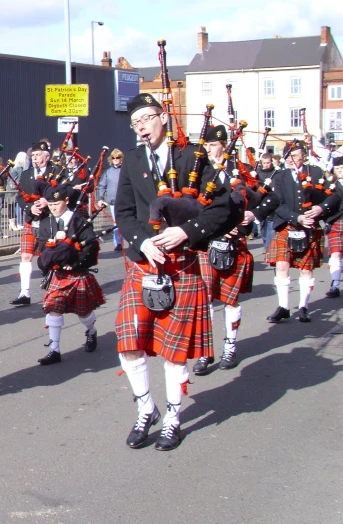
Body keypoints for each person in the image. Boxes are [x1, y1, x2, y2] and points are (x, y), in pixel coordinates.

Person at [114, 94, 232, 451]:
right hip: (144, 263)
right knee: (128, 344)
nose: (141, 127)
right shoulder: (132, 160)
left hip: (182, 264)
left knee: (174, 351)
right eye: (135, 123)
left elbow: (222, 208)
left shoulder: (191, 155)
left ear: (163, 117)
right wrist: (142, 243)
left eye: (146, 119)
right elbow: (123, 212)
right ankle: (145, 407)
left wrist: (187, 231)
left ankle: (173, 418)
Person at [194, 126, 255, 374]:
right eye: (205, 145)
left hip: (233, 243)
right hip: (207, 242)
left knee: (230, 299)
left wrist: (248, 216)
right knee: (205, 299)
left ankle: (230, 346)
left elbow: (257, 197)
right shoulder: (197, 172)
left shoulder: (237, 170)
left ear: (224, 144)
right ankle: (205, 351)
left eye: (212, 144)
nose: (207, 149)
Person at [36, 184, 104, 365]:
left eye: (56, 204)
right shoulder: (46, 223)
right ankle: (54, 349)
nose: (53, 208)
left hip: (77, 273)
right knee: (53, 308)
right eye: (50, 205)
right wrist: (51, 263)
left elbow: (91, 247)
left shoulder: (80, 221)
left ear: (66, 200)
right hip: (57, 274)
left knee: (84, 313)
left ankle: (91, 330)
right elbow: (42, 250)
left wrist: (73, 263)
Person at [265, 141, 325, 323]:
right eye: (288, 156)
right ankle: (283, 307)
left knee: (306, 270)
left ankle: (304, 307)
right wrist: (296, 218)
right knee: (281, 265)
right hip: (287, 225)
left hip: (309, 227)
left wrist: (319, 209)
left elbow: (330, 196)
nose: (291, 159)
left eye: (295, 156)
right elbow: (278, 204)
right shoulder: (280, 176)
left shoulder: (315, 173)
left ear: (303, 157)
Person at [10, 141, 53, 306]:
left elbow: (61, 192)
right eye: (33, 155)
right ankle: (24, 293)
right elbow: (20, 197)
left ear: (47, 157)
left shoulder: (55, 172)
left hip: (48, 221)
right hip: (31, 220)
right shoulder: (27, 174)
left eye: (38, 155)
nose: (35, 158)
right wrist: (29, 208)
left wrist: (47, 202)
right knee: (26, 255)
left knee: (47, 258)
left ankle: (51, 290)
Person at [309, 156, 343, 297]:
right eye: (338, 168)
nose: (340, 171)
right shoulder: (330, 186)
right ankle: (335, 285)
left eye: (342, 168)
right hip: (336, 221)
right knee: (336, 253)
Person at [97, 148, 123, 250]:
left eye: (117, 158)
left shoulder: (125, 170)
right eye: (113, 158)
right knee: (116, 223)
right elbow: (102, 186)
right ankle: (118, 243)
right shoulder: (108, 172)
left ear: (121, 159)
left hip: (125, 201)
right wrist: (100, 198)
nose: (115, 159)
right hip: (113, 202)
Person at [255, 152, 278, 248]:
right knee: (263, 225)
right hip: (261, 200)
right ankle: (265, 244)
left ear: (271, 162)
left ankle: (269, 247)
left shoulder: (275, 172)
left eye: (268, 162)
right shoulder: (257, 172)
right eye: (264, 163)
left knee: (271, 224)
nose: (266, 165)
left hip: (272, 200)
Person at [8, 151, 28, 231]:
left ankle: (12, 224)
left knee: (10, 206)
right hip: (15, 188)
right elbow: (22, 177)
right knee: (15, 205)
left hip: (10, 187)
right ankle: (16, 223)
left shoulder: (12, 166)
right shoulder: (19, 167)